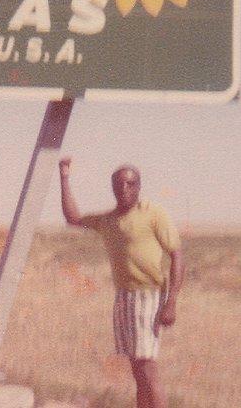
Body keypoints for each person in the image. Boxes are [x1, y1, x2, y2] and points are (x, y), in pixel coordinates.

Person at [59, 157, 183, 408]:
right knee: (138, 371)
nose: (124, 189)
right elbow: (73, 218)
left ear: (138, 186)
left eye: (130, 184)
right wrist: (64, 177)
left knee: (148, 369)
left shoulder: (153, 214)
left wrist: (171, 302)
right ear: (113, 188)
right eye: (118, 185)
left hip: (150, 296)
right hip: (125, 298)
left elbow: (177, 256)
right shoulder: (109, 220)